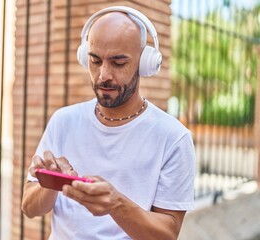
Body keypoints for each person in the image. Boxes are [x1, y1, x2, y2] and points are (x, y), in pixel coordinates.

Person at [21, 6, 196, 240]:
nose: (103, 75)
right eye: (95, 60)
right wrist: (50, 183)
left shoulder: (173, 138)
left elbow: (167, 234)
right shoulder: (63, 121)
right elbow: (29, 208)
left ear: (145, 63)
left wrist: (116, 204)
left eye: (119, 62)